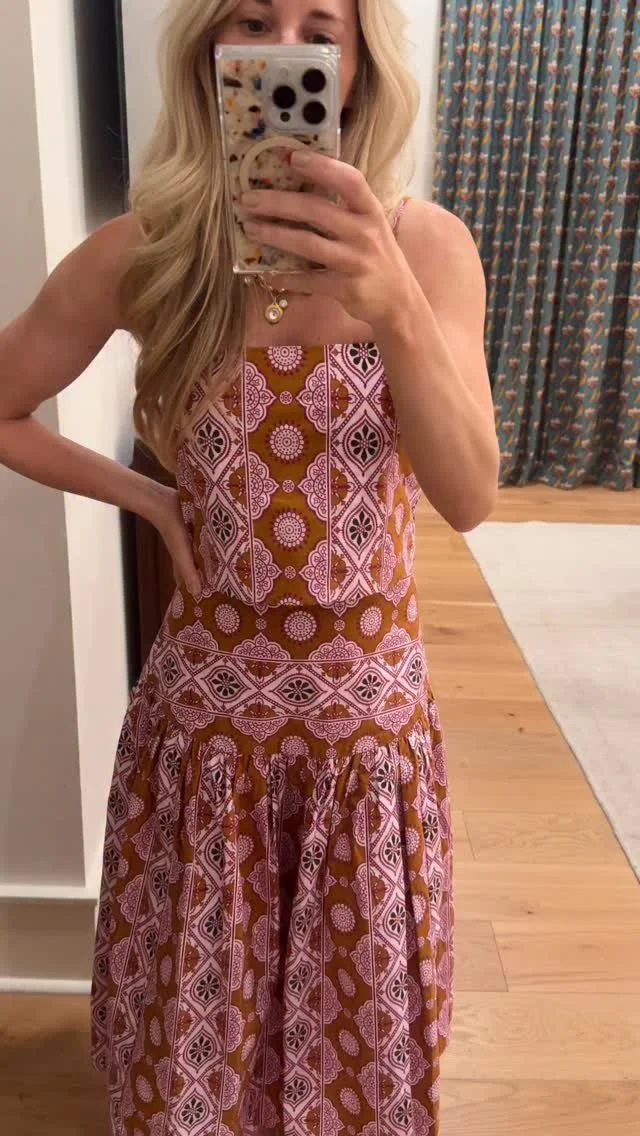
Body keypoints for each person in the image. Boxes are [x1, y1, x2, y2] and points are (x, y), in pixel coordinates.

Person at [0, 1, 499, 1132]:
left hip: (365, 732)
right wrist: (145, 496)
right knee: (198, 1025)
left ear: (357, 64)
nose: (284, 48)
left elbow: (470, 495)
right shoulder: (149, 253)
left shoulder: (427, 249)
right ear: (209, 54)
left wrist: (391, 304)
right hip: (208, 735)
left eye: (319, 25)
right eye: (252, 20)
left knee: (356, 1032)